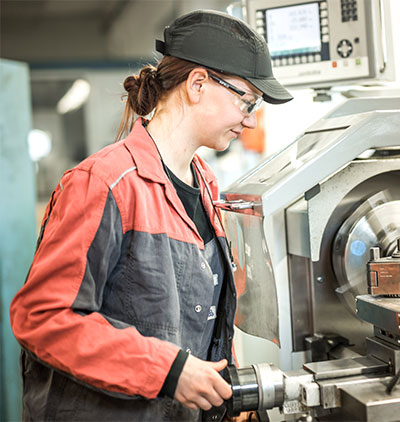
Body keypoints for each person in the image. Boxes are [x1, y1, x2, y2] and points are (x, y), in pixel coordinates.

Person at [10, 9, 292, 421]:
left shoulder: (205, 184)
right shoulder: (105, 183)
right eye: (246, 101)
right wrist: (169, 372)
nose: (250, 120)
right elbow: (42, 317)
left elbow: (200, 312)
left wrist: (221, 388)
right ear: (198, 84)